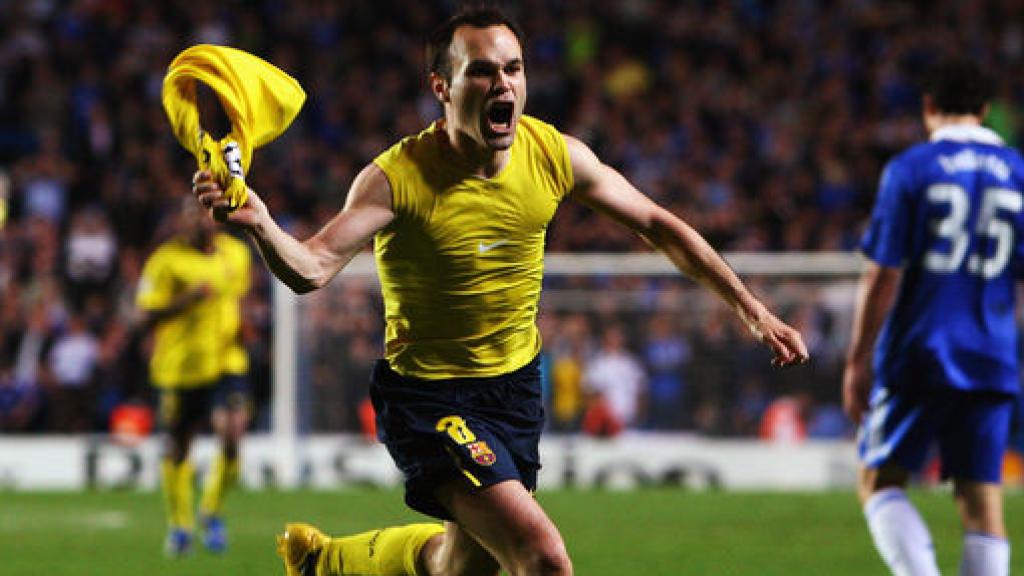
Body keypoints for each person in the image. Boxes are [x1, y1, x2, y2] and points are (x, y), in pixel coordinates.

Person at [193, 8, 808, 576]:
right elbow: (313, 267)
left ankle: (330, 563)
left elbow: (658, 225)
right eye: (482, 72)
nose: (504, 85)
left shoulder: (553, 154)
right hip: (429, 399)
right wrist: (262, 226)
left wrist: (751, 310)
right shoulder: (397, 177)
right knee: (544, 560)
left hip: (514, 392)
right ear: (443, 88)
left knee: (456, 566)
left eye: (513, 68)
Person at [843, 58, 1020, 576]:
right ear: (985, 110)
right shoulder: (1018, 172)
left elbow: (883, 274)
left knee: (878, 481)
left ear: (927, 106)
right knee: (982, 501)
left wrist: (858, 361)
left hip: (922, 348)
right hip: (993, 354)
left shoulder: (912, 168)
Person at [135, 199, 253, 556]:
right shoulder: (165, 261)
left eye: (205, 213)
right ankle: (180, 524)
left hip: (226, 363)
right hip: (180, 368)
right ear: (182, 221)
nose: (200, 221)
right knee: (178, 447)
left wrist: (242, 327)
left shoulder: (237, 254)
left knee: (231, 435)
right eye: (193, 215)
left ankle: (212, 512)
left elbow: (237, 299)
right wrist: (187, 299)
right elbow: (145, 316)